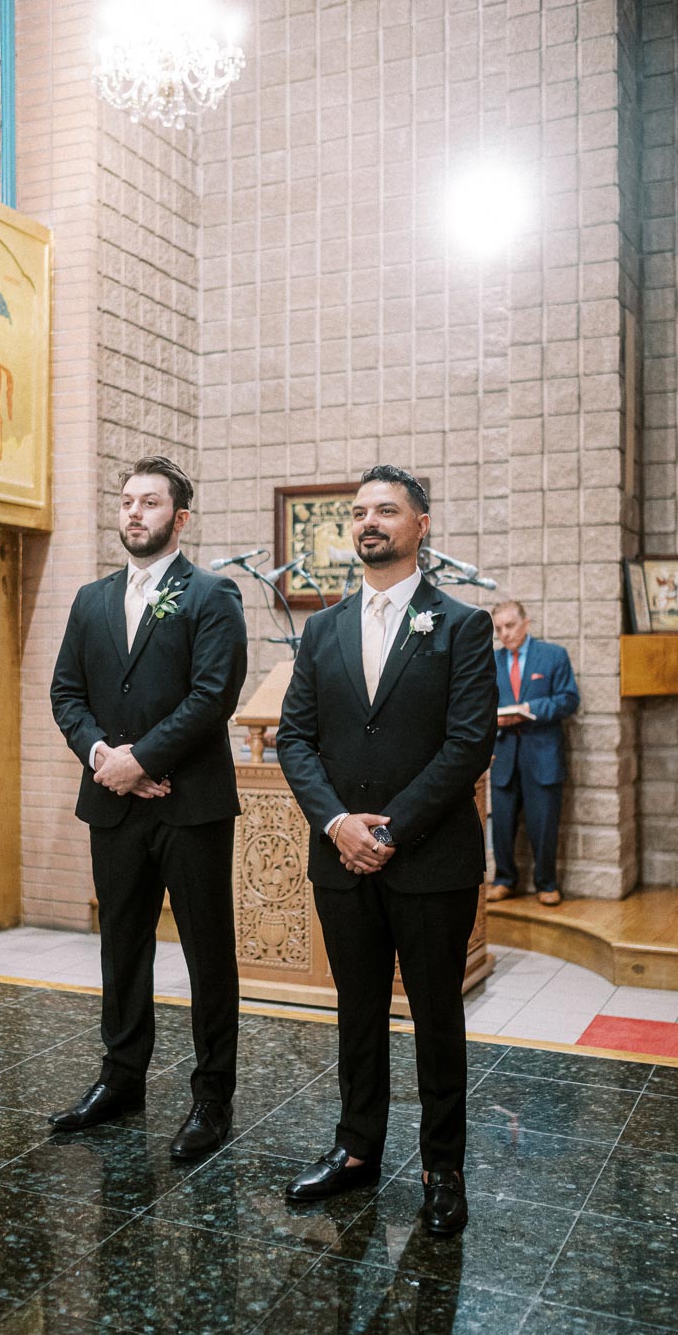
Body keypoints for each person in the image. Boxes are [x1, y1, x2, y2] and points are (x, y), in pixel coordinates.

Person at [276, 465, 497, 1235]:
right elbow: (296, 738)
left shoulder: (462, 626)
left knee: (437, 1017)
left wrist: (390, 829)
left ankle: (443, 1169)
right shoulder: (323, 628)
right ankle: (356, 1149)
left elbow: (468, 744)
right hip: (340, 858)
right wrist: (337, 824)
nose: (370, 521)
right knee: (357, 1010)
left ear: (420, 525)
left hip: (430, 860)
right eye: (361, 511)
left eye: (388, 510)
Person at [49, 455, 248, 1158]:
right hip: (114, 806)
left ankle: (212, 1096)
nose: (134, 512)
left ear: (180, 518)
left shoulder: (212, 595)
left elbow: (212, 696)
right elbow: (66, 695)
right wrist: (108, 760)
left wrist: (146, 759)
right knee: (122, 944)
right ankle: (121, 1077)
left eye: (151, 503)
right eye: (127, 501)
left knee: (207, 953)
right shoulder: (91, 600)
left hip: (190, 806)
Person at [487, 601, 580, 907]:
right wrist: (493, 718)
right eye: (498, 628)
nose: (504, 633)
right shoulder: (490, 660)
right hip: (503, 755)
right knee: (500, 825)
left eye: (510, 626)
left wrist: (531, 710)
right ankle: (504, 880)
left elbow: (568, 700)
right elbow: (477, 703)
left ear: (526, 623)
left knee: (544, 825)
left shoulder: (553, 656)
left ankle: (547, 883)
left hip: (541, 755)